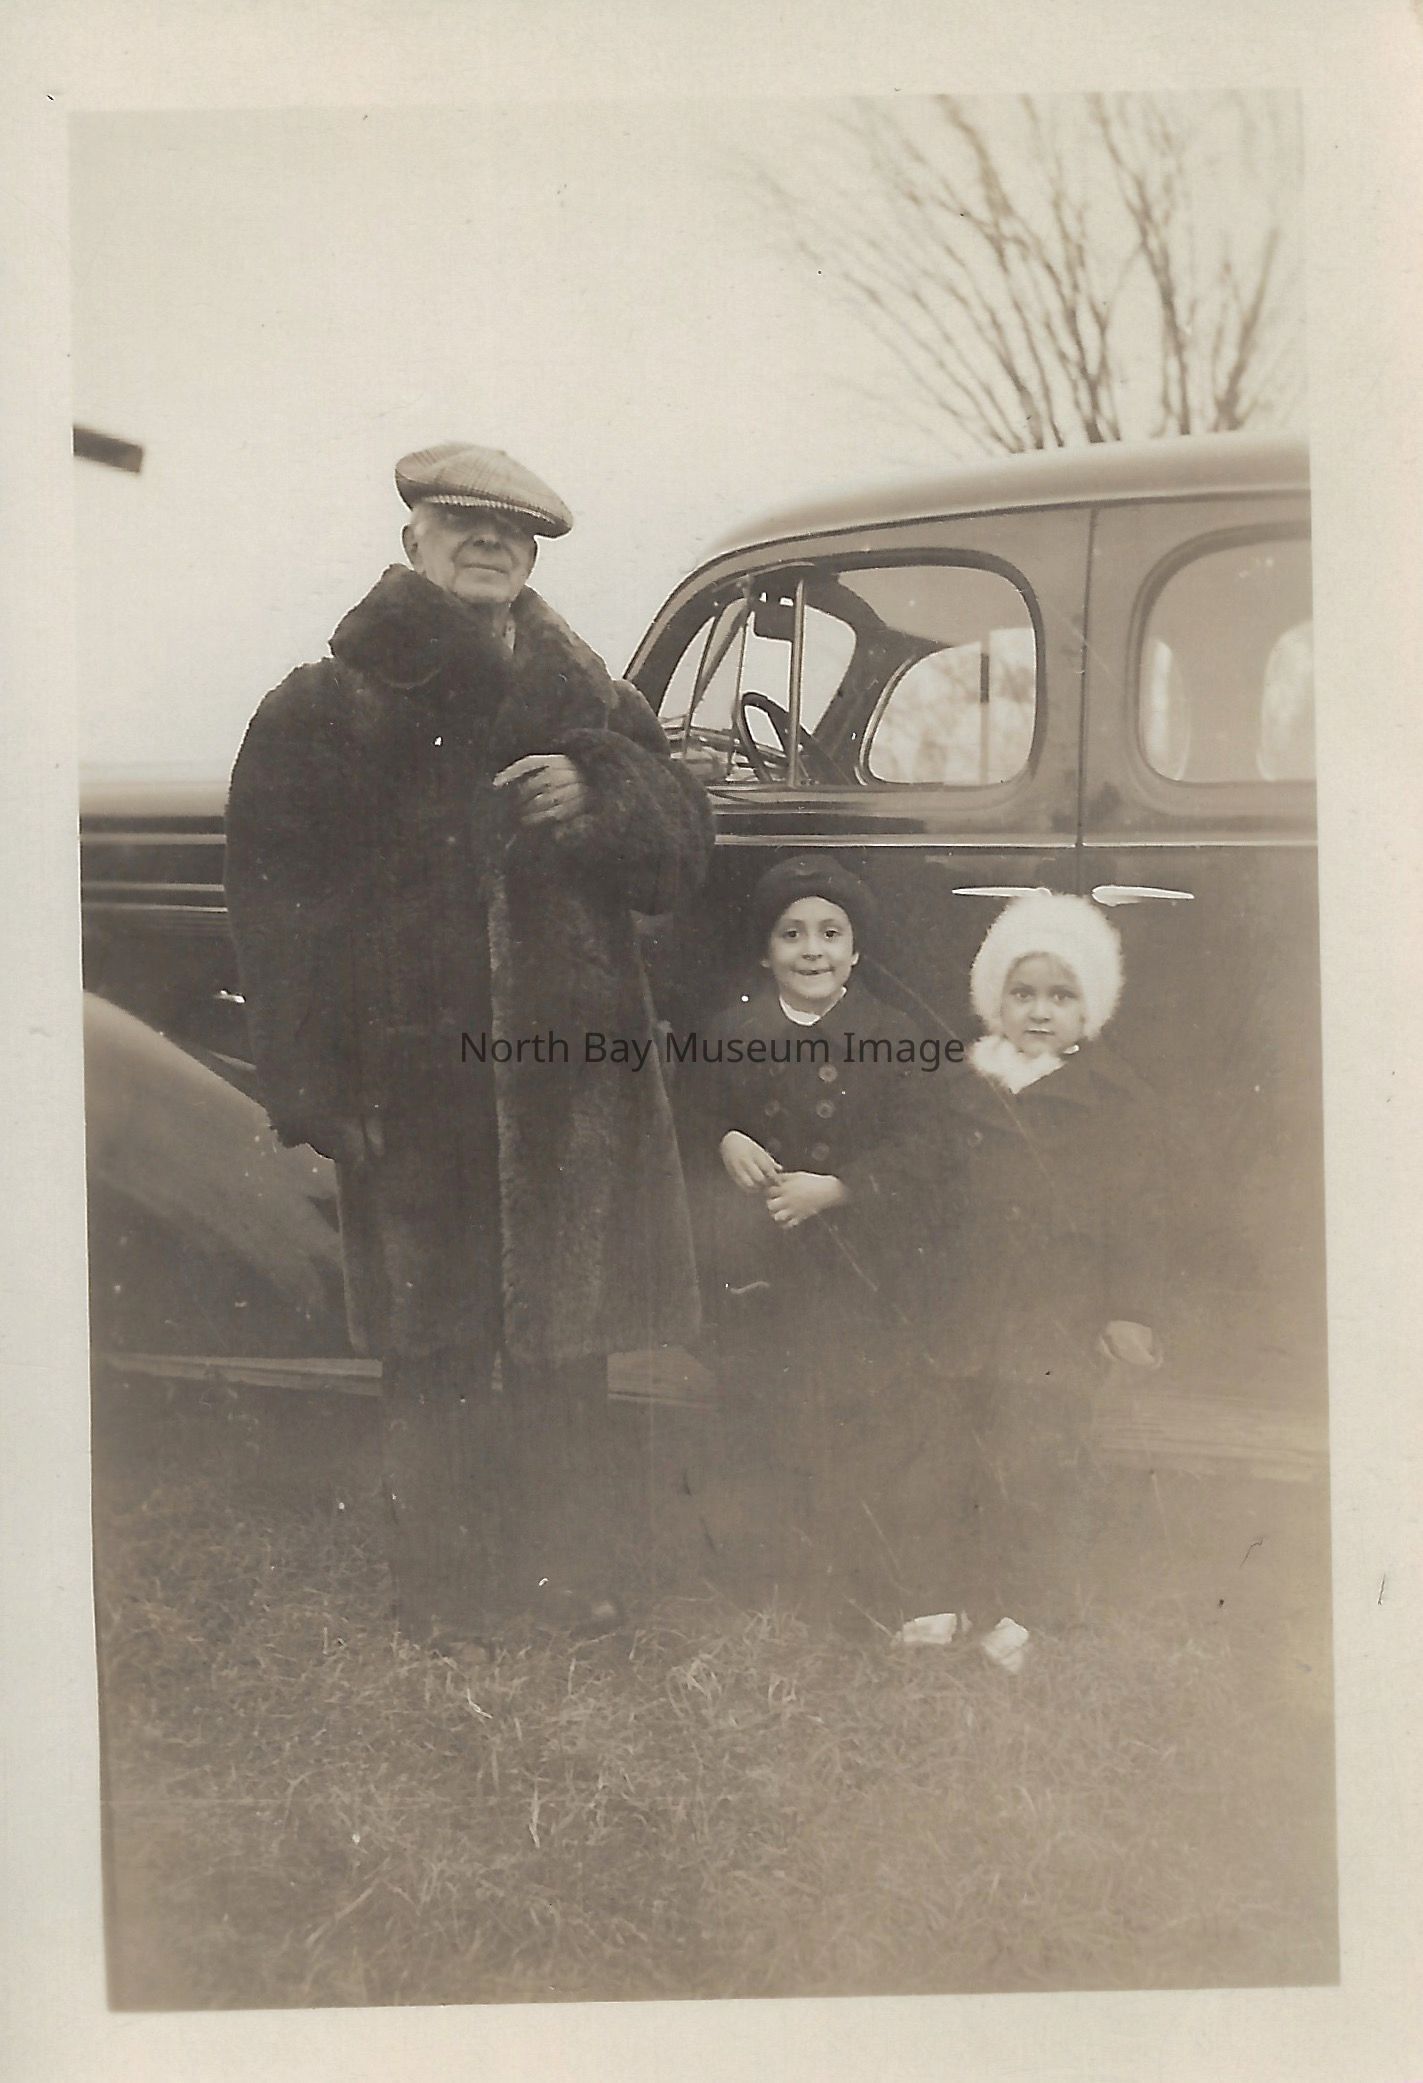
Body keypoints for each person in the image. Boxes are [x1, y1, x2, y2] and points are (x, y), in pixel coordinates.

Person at [225, 440, 713, 1650]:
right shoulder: (324, 705)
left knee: (564, 1344)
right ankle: (447, 1588)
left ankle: (568, 1577)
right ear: (414, 541)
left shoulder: (598, 707)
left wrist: (604, 793)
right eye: (461, 522)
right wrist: (317, 1081)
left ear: (532, 555)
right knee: (434, 1346)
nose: (490, 542)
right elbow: (274, 908)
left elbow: (679, 855)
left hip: (571, 1089)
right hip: (412, 1079)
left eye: (513, 531)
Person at [679, 854, 940, 1622]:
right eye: (790, 934)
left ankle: (845, 1570)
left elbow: (923, 1144)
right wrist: (724, 1136)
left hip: (855, 1263)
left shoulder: (891, 1034)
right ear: (765, 952)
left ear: (855, 951)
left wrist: (839, 1185)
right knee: (754, 1405)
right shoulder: (732, 1030)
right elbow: (688, 1110)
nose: (812, 949)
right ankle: (755, 1570)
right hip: (758, 1262)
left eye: (831, 933)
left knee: (851, 1409)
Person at [928, 890, 1165, 1668]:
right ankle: (962, 1596)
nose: (1038, 1011)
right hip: (971, 1302)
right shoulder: (966, 1086)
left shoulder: (1113, 1101)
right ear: (993, 1000)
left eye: (1060, 996)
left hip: (1056, 1312)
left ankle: (1030, 1609)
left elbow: (1136, 1218)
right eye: (1022, 993)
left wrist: (1127, 1310)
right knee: (961, 1451)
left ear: (1087, 1008)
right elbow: (934, 1195)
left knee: (1041, 1458)